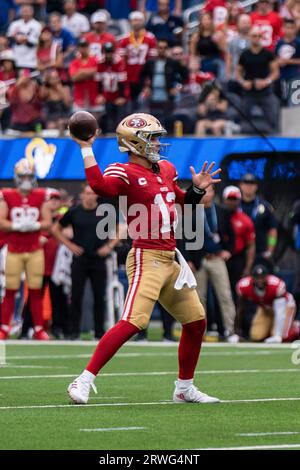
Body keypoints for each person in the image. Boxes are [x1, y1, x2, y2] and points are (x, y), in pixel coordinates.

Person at [67, 112, 221, 405]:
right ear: (135, 142)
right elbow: (100, 186)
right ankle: (84, 379)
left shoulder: (165, 168)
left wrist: (198, 188)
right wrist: (86, 147)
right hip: (145, 256)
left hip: (169, 258)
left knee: (196, 321)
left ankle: (184, 387)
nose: (158, 144)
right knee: (134, 322)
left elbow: (183, 201)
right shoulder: (123, 172)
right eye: (152, 138)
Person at [52, 184, 120, 340]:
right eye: (87, 193)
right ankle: (73, 332)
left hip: (98, 259)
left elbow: (119, 229)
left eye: (92, 193)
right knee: (76, 295)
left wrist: (109, 246)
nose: (89, 196)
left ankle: (99, 332)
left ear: (96, 195)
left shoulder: (105, 211)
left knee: (99, 296)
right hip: (80, 258)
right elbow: (56, 228)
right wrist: (69, 245)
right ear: (82, 195)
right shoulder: (74, 212)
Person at [0, 158, 52, 340]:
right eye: (23, 176)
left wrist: (34, 225)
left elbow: (47, 222)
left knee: (36, 289)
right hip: (14, 248)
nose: (26, 180)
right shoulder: (6, 195)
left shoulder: (41, 195)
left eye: (29, 176)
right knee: (10, 288)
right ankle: (4, 327)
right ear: (16, 177)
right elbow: (1, 221)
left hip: (34, 248)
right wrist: (17, 226)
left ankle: (38, 328)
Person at [188, 185, 236, 338]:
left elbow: (231, 234)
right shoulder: (192, 211)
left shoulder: (221, 211)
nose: (207, 195)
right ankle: (199, 332)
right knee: (198, 297)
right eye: (204, 191)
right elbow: (186, 237)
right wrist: (189, 259)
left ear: (214, 193)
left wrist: (228, 250)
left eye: (210, 191)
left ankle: (230, 330)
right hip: (199, 259)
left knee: (224, 294)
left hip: (216, 258)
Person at [236, 264, 297, 343]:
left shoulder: (275, 284)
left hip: (285, 307)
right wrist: (236, 333)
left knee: (283, 337)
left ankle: (296, 328)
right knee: (256, 336)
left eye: (262, 277)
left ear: (266, 277)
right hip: (265, 308)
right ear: (252, 278)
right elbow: (240, 309)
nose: (259, 280)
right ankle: (271, 331)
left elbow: (280, 310)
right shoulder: (244, 286)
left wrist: (277, 335)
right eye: (257, 277)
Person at [236, 26, 280, 133]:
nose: (257, 38)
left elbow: (276, 72)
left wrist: (266, 81)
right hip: (249, 92)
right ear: (250, 37)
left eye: (259, 36)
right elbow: (238, 73)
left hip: (265, 92)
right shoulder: (244, 54)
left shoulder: (268, 53)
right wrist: (243, 82)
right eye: (254, 36)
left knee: (273, 120)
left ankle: (275, 139)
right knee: (242, 120)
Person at [140, 39, 188, 127]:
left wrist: (178, 87)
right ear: (156, 49)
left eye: (165, 48)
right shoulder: (150, 62)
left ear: (167, 49)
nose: (162, 50)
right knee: (153, 120)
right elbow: (142, 76)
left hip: (168, 95)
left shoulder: (172, 63)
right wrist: (145, 87)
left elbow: (184, 76)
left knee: (168, 119)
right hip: (153, 95)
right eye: (160, 48)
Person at [222, 185, 256, 304]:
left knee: (238, 293)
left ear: (239, 200)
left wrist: (248, 267)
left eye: (234, 199)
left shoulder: (245, 220)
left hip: (237, 259)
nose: (232, 202)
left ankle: (238, 321)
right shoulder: (218, 217)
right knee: (221, 293)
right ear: (224, 200)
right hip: (221, 259)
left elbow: (251, 245)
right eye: (230, 199)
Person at [118, 11, 157, 104]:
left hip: (143, 74)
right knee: (129, 104)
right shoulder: (124, 39)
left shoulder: (150, 38)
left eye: (139, 20)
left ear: (143, 22)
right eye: (134, 20)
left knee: (143, 104)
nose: (137, 22)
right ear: (130, 22)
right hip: (129, 75)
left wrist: (149, 80)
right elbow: (122, 60)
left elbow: (152, 60)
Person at [239, 173, 277, 266]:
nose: (249, 186)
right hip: (238, 255)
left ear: (256, 186)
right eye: (246, 183)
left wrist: (270, 251)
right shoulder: (234, 205)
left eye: (252, 184)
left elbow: (272, 231)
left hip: (260, 254)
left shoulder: (265, 206)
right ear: (241, 185)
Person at [97, 41, 129, 133]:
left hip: (118, 94)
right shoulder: (100, 62)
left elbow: (122, 81)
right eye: (107, 52)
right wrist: (100, 95)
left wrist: (121, 97)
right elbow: (99, 81)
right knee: (108, 118)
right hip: (107, 95)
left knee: (120, 118)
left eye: (110, 52)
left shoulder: (119, 62)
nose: (109, 54)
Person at [189, 11, 226, 81]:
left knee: (219, 66)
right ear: (201, 21)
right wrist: (193, 65)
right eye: (204, 19)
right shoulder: (196, 36)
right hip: (203, 61)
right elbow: (192, 54)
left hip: (216, 60)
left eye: (208, 19)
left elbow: (224, 50)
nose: (207, 21)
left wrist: (218, 42)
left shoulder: (218, 34)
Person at [69, 37, 100, 114]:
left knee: (96, 123)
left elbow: (98, 72)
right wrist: (91, 72)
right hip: (79, 99)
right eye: (81, 46)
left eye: (85, 46)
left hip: (94, 98)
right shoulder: (74, 62)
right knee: (80, 122)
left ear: (88, 47)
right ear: (78, 48)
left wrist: (81, 72)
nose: (84, 48)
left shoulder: (95, 60)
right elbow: (74, 78)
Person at [7, 3, 41, 70]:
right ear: (20, 12)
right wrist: (15, 38)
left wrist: (23, 39)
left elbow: (35, 42)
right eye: (24, 11)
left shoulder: (37, 25)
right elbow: (9, 38)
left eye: (28, 11)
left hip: (30, 60)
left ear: (32, 12)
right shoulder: (15, 24)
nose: (25, 13)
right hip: (16, 58)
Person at [275, 18, 300, 106]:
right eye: (287, 28)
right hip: (281, 77)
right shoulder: (279, 43)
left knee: (294, 102)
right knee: (283, 101)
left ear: (295, 29)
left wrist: (288, 61)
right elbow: (275, 58)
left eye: (291, 28)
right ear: (283, 28)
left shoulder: (298, 42)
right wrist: (277, 62)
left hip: (295, 76)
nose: (289, 30)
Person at [41, 69, 71, 133]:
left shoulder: (65, 88)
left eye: (57, 77)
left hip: (64, 116)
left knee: (61, 123)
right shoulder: (47, 90)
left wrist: (59, 89)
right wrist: (45, 81)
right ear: (49, 80)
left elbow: (68, 104)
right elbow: (41, 96)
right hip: (51, 118)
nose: (56, 80)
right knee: (51, 126)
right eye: (53, 78)